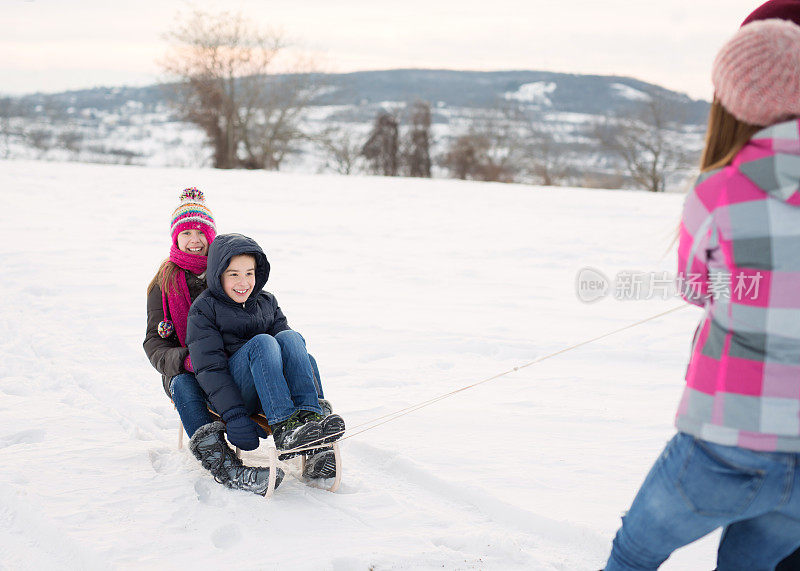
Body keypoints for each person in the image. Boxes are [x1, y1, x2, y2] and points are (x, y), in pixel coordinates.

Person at [604, 18, 800, 570]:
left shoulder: (719, 188)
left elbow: (696, 286)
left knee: (633, 555)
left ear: (733, 97)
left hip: (722, 440)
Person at [186, 232, 346, 466]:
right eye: (234, 275)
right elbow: (210, 369)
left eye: (249, 274)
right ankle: (284, 427)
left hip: (271, 389)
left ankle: (312, 421)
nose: (243, 283)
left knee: (292, 339)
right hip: (236, 392)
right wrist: (235, 415)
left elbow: (291, 353)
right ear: (218, 275)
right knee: (263, 342)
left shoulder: (266, 302)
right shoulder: (204, 310)